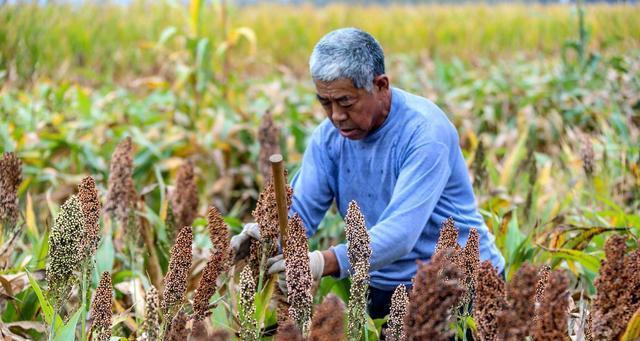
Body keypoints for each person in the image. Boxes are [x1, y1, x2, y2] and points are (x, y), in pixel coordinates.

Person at [231, 27, 505, 320]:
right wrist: (263, 231)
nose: (336, 115)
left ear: (381, 85)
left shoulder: (424, 133)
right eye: (325, 102)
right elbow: (299, 213)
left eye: (346, 102)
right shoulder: (329, 138)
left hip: (459, 286)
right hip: (383, 285)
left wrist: (323, 262)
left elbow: (401, 234)